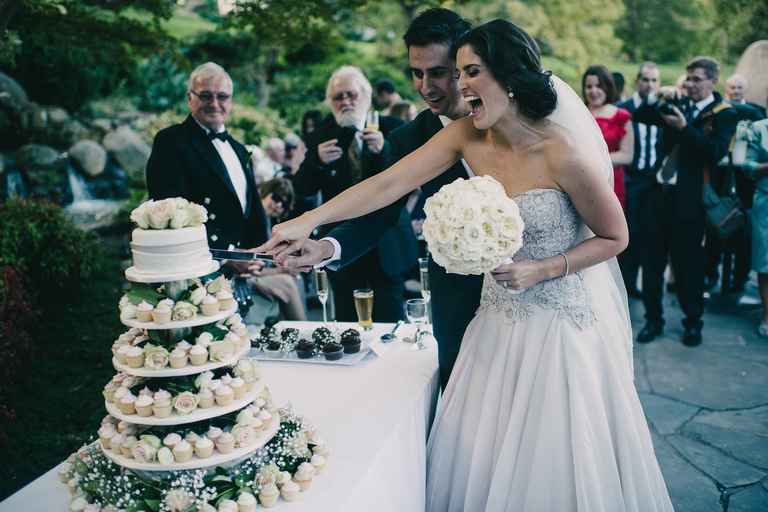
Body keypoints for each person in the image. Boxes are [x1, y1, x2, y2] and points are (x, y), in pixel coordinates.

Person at [260, 19, 673, 511]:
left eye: (469, 71)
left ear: (509, 75)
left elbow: (616, 236)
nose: (456, 86)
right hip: (492, 325)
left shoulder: (563, 151)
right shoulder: (462, 136)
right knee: (481, 457)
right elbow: (385, 186)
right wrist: (309, 220)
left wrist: (542, 270)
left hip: (561, 328)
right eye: (456, 73)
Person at [260, 8, 478, 390]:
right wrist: (324, 247)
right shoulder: (411, 138)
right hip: (455, 294)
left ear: (464, 65)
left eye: (438, 72)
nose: (426, 87)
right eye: (417, 73)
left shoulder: (505, 120)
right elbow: (380, 206)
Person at [291, 65, 414, 322]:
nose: (345, 101)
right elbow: (301, 190)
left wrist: (385, 150)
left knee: (392, 325)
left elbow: (410, 181)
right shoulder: (319, 135)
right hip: (339, 248)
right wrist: (316, 161)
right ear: (330, 102)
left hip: (387, 245)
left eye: (351, 94)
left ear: (367, 97)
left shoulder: (394, 128)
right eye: (338, 97)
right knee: (348, 327)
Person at [632, 57, 738, 346]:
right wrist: (658, 99)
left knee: (688, 266)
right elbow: (642, 116)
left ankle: (693, 323)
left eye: (697, 79)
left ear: (712, 81)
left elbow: (714, 152)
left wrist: (683, 128)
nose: (690, 83)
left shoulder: (724, 114)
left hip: (689, 202)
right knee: (652, 264)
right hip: (659, 194)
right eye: (687, 78)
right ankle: (653, 321)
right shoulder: (677, 103)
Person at [145, 61, 269, 259]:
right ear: (189, 98)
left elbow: (254, 211)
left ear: (231, 101)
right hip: (199, 265)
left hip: (243, 269)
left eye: (222, 96)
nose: (214, 103)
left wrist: (261, 253)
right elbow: (171, 212)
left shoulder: (239, 149)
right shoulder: (171, 141)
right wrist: (227, 255)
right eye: (205, 96)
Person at [618, 62, 662, 298]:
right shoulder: (624, 109)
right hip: (630, 179)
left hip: (654, 181)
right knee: (629, 234)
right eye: (646, 79)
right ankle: (627, 285)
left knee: (651, 235)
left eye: (655, 80)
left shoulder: (663, 110)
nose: (650, 84)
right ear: (637, 81)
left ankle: (647, 288)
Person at [582, 65, 634, 208]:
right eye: (589, 86)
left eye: (599, 86)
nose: (593, 91)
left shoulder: (621, 116)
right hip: (581, 180)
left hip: (611, 182)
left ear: (608, 87)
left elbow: (627, 155)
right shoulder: (578, 114)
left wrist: (594, 160)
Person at [742, 119, 768, 336]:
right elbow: (746, 165)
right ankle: (767, 315)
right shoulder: (759, 128)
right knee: (765, 261)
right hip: (765, 203)